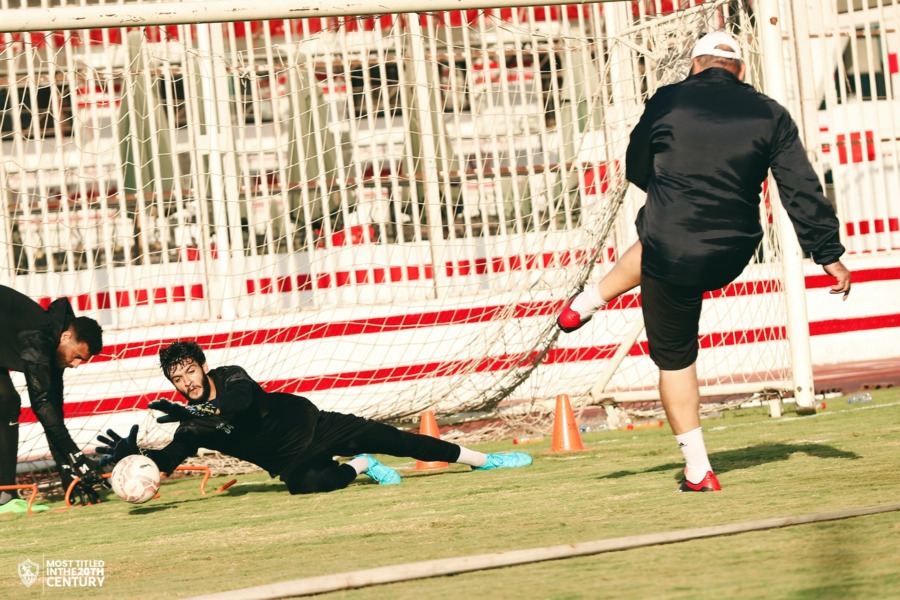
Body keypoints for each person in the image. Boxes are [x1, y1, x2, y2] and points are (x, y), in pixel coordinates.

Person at [557, 31, 852, 492]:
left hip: (670, 249)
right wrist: (829, 252)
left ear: (695, 64)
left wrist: (671, 183)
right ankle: (587, 301)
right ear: (741, 70)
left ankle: (698, 471)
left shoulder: (668, 100)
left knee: (674, 357)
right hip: (734, 250)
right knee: (656, 233)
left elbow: (636, 165)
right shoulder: (771, 113)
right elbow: (800, 186)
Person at [96, 341, 532, 494]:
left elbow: (240, 403)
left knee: (402, 441)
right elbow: (170, 461)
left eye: (190, 370)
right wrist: (134, 458)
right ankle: (363, 465)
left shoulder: (230, 378)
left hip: (314, 425)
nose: (186, 380)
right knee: (308, 485)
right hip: (290, 461)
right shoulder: (189, 424)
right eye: (177, 377)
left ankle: (485, 459)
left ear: (203, 366)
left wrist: (196, 408)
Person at [0, 285, 106, 513]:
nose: (76, 365)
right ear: (66, 336)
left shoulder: (56, 349)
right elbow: (41, 406)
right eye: (77, 356)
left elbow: (53, 418)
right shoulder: (39, 337)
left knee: (7, 402)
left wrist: (68, 471)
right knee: (6, 401)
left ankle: (5, 497)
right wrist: (77, 456)